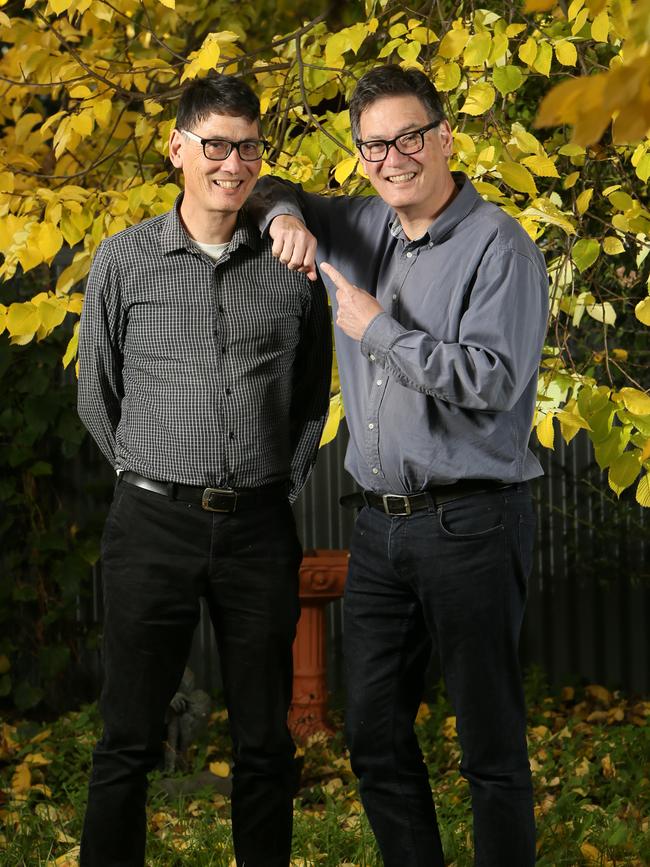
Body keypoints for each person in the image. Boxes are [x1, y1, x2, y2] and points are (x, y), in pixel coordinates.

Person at [254, 64, 549, 867]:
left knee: (490, 748)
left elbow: (492, 382)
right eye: (373, 144)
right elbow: (270, 183)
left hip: (474, 522)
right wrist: (286, 217)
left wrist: (376, 327)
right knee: (375, 735)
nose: (393, 157)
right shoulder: (364, 225)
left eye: (409, 137)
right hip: (381, 531)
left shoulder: (500, 247)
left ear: (445, 136)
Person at [77, 73, 331, 867]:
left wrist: (275, 487)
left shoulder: (291, 268)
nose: (232, 162)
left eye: (247, 147)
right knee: (127, 736)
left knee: (265, 740)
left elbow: (310, 401)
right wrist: (148, 474)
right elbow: (98, 394)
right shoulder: (122, 261)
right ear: (178, 149)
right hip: (150, 523)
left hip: (258, 527)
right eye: (215, 144)